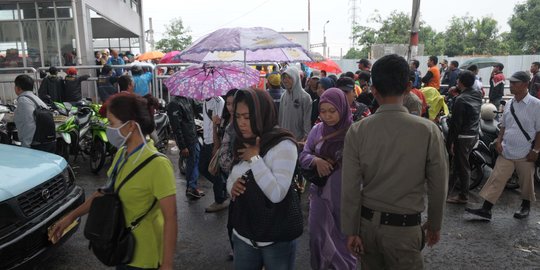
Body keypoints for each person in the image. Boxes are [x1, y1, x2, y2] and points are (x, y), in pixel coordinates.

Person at [341, 54, 448, 269]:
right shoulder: (428, 130)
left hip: (367, 227)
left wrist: (351, 230)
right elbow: (439, 185)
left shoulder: (357, 130)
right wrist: (434, 225)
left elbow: (350, 187)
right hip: (405, 231)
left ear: (373, 89)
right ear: (409, 87)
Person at [51, 93, 177, 270]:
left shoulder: (158, 165)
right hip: (121, 249)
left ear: (131, 126)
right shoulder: (121, 155)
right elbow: (103, 194)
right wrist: (70, 217)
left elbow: (170, 217)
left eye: (111, 123)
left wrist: (168, 264)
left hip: (145, 258)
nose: (108, 128)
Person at [227, 89, 302, 270]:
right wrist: (232, 187)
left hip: (276, 238)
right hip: (244, 234)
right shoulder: (241, 140)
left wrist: (255, 159)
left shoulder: (284, 145)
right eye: (237, 117)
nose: (242, 123)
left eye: (247, 117)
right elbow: (232, 176)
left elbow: (277, 194)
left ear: (262, 114)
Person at [466, 71, 540, 220]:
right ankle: (486, 209)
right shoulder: (510, 103)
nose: (511, 86)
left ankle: (525, 207)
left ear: (525, 84)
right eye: (510, 82)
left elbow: (539, 130)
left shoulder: (536, 104)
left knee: (526, 182)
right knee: (496, 178)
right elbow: (504, 126)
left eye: (515, 83)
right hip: (507, 149)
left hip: (526, 152)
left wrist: (536, 150)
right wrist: (499, 141)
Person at [300, 88, 357, 270]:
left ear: (342, 108)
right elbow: (303, 155)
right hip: (320, 193)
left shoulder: (355, 132)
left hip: (346, 195)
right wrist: (315, 160)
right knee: (317, 234)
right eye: (323, 111)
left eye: (332, 111)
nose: (327, 116)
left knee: (343, 237)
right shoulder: (317, 130)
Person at [446, 71, 483, 204]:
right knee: (458, 164)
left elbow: (456, 124)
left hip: (462, 136)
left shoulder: (460, 99)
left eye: (458, 80)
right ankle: (449, 191)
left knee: (462, 165)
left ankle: (463, 196)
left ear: (460, 82)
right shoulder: (477, 94)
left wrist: (450, 142)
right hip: (473, 133)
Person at [167, 94, 203, 199]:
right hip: (187, 140)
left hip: (193, 136)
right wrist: (182, 146)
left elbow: (198, 109)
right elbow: (176, 128)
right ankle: (191, 188)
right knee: (192, 164)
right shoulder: (174, 104)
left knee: (195, 162)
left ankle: (193, 187)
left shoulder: (189, 99)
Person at [13, 75, 55, 153]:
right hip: (46, 141)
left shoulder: (23, 100)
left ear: (18, 88)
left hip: (37, 145)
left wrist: (26, 146)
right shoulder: (35, 98)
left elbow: (29, 124)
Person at [199, 96, 225, 201]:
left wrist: (216, 144)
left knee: (215, 170)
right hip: (206, 140)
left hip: (214, 141)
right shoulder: (205, 101)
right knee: (202, 168)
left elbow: (219, 123)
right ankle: (222, 185)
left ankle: (219, 199)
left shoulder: (219, 101)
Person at [279, 66, 312, 142]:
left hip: (298, 139)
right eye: (284, 78)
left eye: (289, 78)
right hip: (284, 138)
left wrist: (306, 136)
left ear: (296, 78)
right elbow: (280, 117)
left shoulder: (305, 97)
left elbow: (307, 119)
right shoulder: (283, 96)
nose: (286, 80)